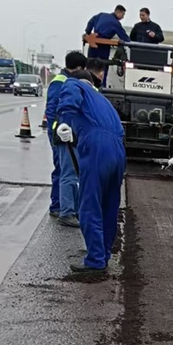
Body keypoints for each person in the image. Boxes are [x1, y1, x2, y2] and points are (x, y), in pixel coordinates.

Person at [55, 69, 126, 279]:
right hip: (118, 151)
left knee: (90, 203)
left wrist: (65, 120)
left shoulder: (74, 84)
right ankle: (103, 255)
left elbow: (69, 97)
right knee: (109, 205)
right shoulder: (102, 100)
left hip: (97, 148)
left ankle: (95, 260)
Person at [45, 50, 87, 227]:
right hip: (61, 133)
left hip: (65, 133)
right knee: (64, 171)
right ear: (78, 68)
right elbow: (52, 111)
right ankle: (59, 207)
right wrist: (57, 133)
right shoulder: (61, 82)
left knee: (63, 170)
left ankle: (60, 205)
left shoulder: (68, 81)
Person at [84, 5, 130, 84]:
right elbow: (124, 36)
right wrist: (130, 43)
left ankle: (88, 83)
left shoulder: (101, 15)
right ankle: (102, 86)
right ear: (118, 12)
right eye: (123, 15)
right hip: (103, 45)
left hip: (93, 42)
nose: (123, 17)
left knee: (90, 64)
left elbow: (91, 22)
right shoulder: (115, 23)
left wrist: (87, 32)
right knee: (103, 66)